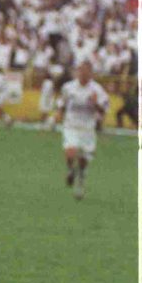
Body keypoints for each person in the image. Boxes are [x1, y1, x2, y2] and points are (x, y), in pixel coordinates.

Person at [56, 60, 109, 200]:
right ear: (77, 72)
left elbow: (103, 110)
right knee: (70, 152)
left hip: (87, 128)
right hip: (71, 126)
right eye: (80, 70)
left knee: (83, 160)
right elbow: (62, 103)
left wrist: (95, 103)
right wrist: (58, 115)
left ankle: (80, 180)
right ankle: (70, 170)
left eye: (86, 71)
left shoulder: (97, 90)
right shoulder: (68, 87)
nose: (83, 73)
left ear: (91, 73)